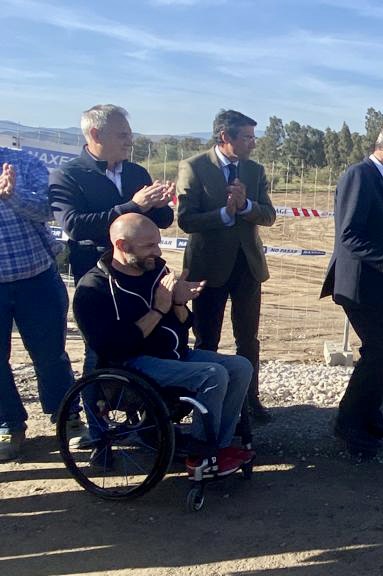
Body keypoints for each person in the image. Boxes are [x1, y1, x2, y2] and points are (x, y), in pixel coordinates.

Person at [72, 213, 252, 472]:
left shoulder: (156, 269)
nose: (157, 251)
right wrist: (158, 309)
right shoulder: (95, 288)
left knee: (241, 366)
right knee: (213, 374)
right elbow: (112, 347)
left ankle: (219, 448)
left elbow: (182, 323)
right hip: (133, 365)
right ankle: (201, 453)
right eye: (149, 246)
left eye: (158, 243)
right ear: (121, 245)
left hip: (175, 355)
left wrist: (178, 303)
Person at [49, 104, 175, 388]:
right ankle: (98, 422)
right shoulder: (68, 176)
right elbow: (74, 225)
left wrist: (161, 204)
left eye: (129, 134)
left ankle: (146, 414)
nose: (130, 141)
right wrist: (134, 206)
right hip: (98, 276)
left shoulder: (136, 173)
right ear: (95, 134)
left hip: (141, 272)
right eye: (122, 135)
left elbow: (163, 221)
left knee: (145, 336)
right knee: (100, 347)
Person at [320, 120, 383, 458]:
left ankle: (371, 419)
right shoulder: (359, 176)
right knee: (376, 353)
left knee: (380, 352)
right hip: (359, 285)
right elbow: (349, 236)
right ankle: (348, 423)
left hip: (374, 284)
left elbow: (371, 231)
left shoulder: (379, 179)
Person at [177, 110, 276, 424]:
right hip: (208, 269)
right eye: (247, 137)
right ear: (225, 138)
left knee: (248, 339)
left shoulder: (255, 170)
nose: (253, 143)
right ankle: (206, 406)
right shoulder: (193, 167)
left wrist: (246, 206)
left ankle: (250, 401)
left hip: (247, 267)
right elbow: (186, 220)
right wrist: (223, 214)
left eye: (252, 137)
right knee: (207, 340)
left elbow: (269, 215)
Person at [0, 148, 78, 461]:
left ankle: (66, 417)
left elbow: (49, 209)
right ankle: (9, 424)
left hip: (36, 278)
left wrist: (13, 194)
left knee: (51, 356)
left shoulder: (22, 162)